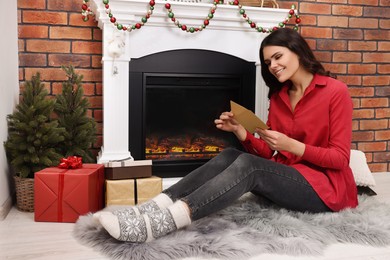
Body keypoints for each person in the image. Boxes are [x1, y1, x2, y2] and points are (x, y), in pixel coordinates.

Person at [95, 28, 358, 243]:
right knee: (232, 154)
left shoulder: (335, 92)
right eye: (268, 62)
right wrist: (241, 132)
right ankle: (152, 208)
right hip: (288, 178)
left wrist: (294, 146)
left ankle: (166, 222)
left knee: (249, 167)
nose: (274, 66)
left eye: (278, 57)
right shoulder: (279, 97)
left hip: (325, 190)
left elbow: (340, 159)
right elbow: (267, 153)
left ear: (298, 51)